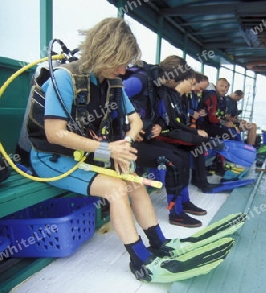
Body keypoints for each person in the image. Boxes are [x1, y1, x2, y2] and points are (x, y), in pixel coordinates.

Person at [25, 18, 222, 281]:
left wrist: (125, 145)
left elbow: (136, 120)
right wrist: (107, 149)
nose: (123, 69)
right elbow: (54, 133)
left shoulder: (113, 82)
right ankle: (138, 258)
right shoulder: (65, 78)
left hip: (88, 152)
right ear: (103, 54)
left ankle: (159, 244)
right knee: (116, 189)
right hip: (52, 157)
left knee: (135, 182)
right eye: (120, 62)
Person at [122, 58, 208, 228]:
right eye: (181, 81)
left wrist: (159, 126)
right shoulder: (139, 81)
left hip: (145, 138)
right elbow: (110, 102)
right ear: (170, 79)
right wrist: (127, 128)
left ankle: (183, 202)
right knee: (172, 160)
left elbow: (163, 116)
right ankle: (176, 214)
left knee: (182, 155)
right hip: (125, 141)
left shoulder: (160, 87)